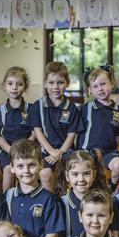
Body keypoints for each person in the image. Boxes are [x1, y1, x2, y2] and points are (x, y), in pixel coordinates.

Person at [27, 61, 83, 192]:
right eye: (51, 83)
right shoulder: (38, 106)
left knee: (74, 172)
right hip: (45, 150)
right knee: (45, 174)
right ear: (45, 84)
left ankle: (66, 201)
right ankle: (50, 205)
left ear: (67, 83)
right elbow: (38, 132)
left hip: (65, 151)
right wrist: (52, 151)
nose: (55, 87)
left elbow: (71, 135)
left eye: (60, 82)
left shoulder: (72, 108)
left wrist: (60, 153)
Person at [78, 66, 119, 186]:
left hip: (109, 152)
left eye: (103, 84)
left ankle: (112, 188)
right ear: (90, 89)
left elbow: (118, 138)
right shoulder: (85, 109)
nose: (100, 89)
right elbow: (76, 133)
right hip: (87, 152)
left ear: (111, 83)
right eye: (95, 86)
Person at [0, 66, 34, 192]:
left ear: (25, 86)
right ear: (4, 86)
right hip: (7, 150)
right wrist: (10, 149)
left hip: (28, 150)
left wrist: (24, 148)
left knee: (30, 169)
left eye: (19, 84)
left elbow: (35, 132)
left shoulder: (31, 108)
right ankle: (6, 201)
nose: (14, 87)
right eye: (10, 84)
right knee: (8, 170)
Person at [56, 150, 108, 237]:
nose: (81, 179)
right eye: (75, 174)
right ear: (67, 176)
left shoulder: (104, 201)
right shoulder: (61, 203)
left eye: (86, 174)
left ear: (94, 174)